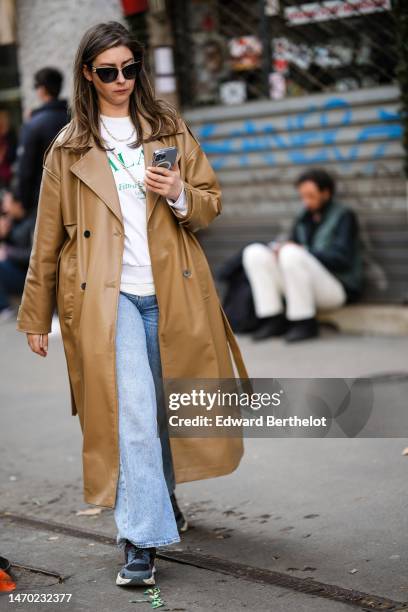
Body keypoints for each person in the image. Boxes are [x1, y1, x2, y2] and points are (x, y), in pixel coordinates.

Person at [15, 21, 248, 587]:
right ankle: (139, 540)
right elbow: (48, 237)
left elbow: (212, 205)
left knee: (165, 410)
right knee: (134, 416)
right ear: (87, 76)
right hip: (104, 300)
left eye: (129, 68)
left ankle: (158, 499)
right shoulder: (68, 148)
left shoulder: (167, 127)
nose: (120, 80)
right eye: (107, 71)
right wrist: (35, 313)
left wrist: (179, 194)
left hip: (171, 291)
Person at [242, 168, 363, 342]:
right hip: (303, 286)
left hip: (336, 287)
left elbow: (342, 259)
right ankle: (272, 318)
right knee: (254, 252)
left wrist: (303, 250)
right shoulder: (303, 217)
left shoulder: (344, 216)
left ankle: (304, 322)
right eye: (303, 196)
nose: (306, 202)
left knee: (292, 253)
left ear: (326, 193)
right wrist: (278, 250)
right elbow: (292, 248)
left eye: (311, 196)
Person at [14, 67, 69, 213]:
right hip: (73, 194)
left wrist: (22, 201)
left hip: (43, 200)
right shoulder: (73, 119)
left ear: (42, 89)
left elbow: (25, 169)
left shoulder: (34, 124)